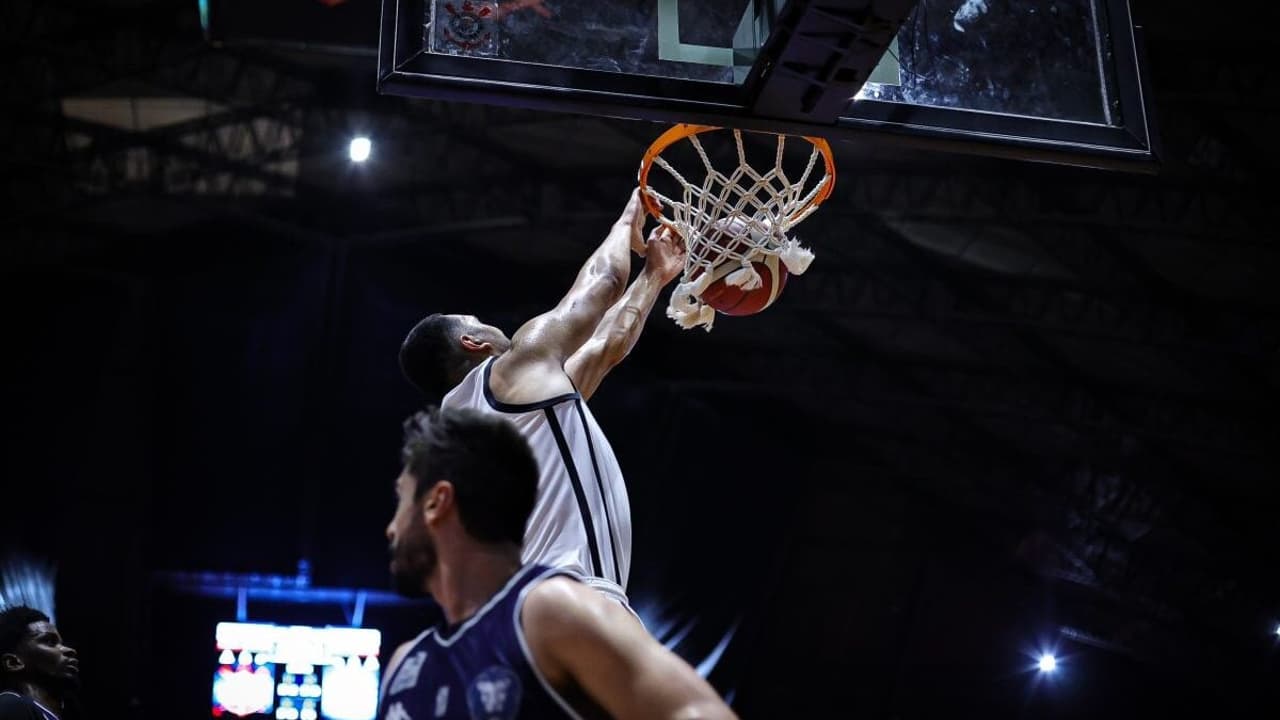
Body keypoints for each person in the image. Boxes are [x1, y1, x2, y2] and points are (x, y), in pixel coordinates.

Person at [398, 188, 685, 605]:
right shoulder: (515, 366)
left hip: (531, 605)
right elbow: (603, 284)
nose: (488, 324)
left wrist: (653, 277)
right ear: (472, 342)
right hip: (578, 594)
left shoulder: (477, 425)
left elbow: (605, 349)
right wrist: (626, 221)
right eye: (477, 321)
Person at [380, 407, 736, 720]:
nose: (391, 528)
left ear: (436, 502)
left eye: (402, 499)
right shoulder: (403, 664)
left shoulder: (548, 610)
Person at [0, 606, 78, 720]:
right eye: (50, 641)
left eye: (62, 643)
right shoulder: (11, 706)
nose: (70, 650)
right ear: (13, 662)